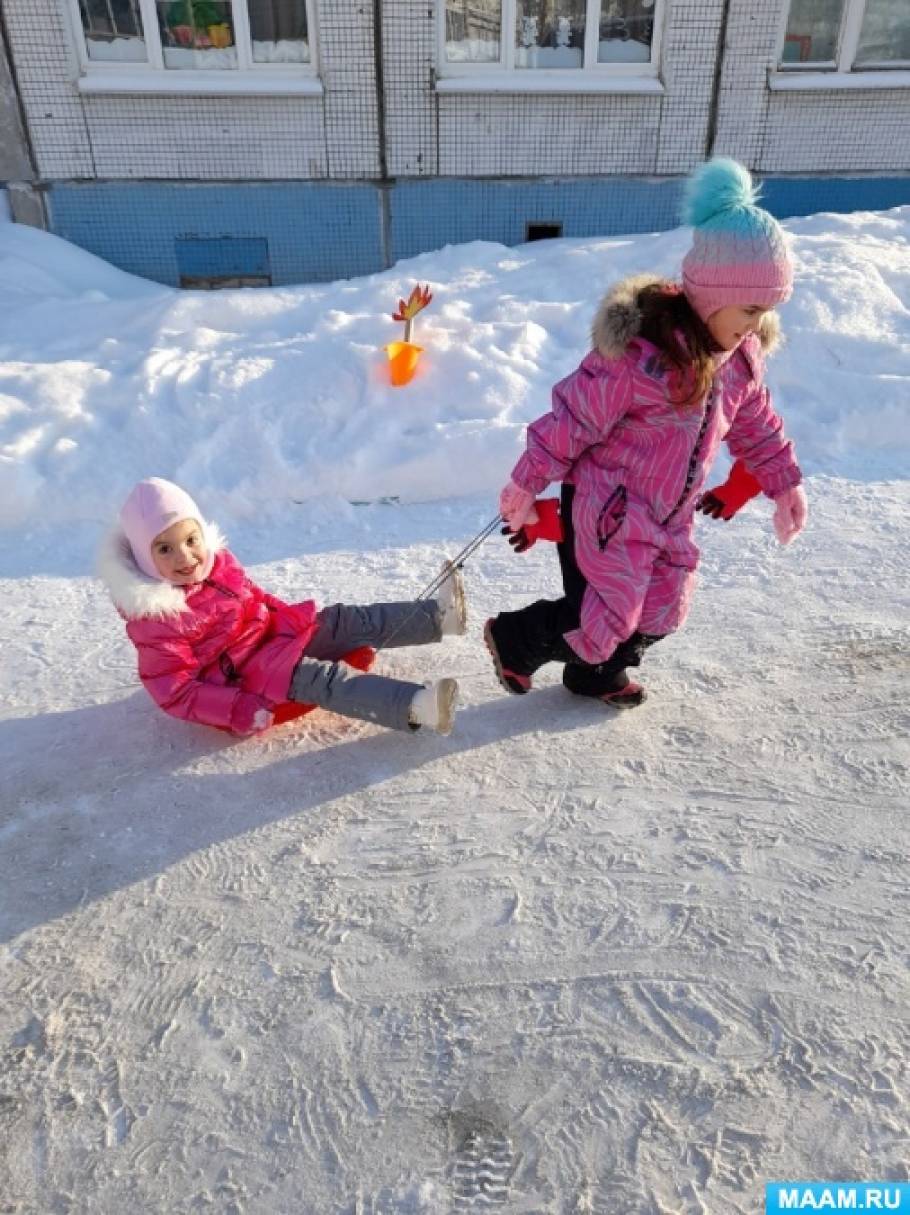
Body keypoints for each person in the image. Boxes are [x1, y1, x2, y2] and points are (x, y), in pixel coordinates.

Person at [485, 157, 808, 708]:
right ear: (711, 293)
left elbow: (757, 426)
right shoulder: (641, 360)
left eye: (768, 311)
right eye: (750, 309)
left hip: (669, 511)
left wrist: (784, 484)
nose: (756, 325)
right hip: (606, 507)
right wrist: (524, 482)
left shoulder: (740, 359)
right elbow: (571, 419)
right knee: (603, 615)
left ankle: (592, 673)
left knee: (664, 608)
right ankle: (516, 639)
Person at [98, 477, 464, 737]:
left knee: (342, 619)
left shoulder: (219, 564)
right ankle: (417, 705)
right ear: (146, 559)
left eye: (191, 539)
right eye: (165, 549)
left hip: (272, 638)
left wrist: (291, 619)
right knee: (321, 679)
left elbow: (254, 597)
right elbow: (175, 691)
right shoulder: (157, 620)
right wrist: (236, 707)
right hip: (244, 681)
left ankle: (437, 618)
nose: (186, 556)